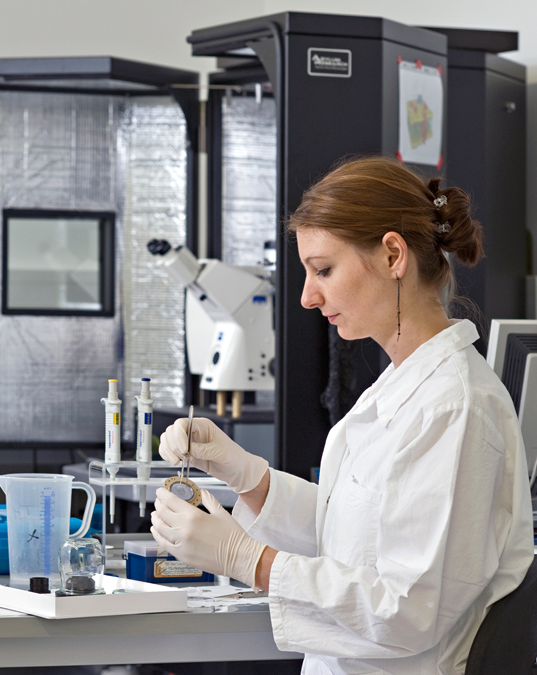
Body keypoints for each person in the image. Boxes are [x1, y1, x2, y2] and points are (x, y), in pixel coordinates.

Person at [151, 157, 533, 674]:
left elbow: (408, 610)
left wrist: (249, 560)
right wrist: (248, 476)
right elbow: (359, 534)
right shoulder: (404, 386)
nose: (308, 297)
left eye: (323, 269)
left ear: (393, 254)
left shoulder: (455, 407)